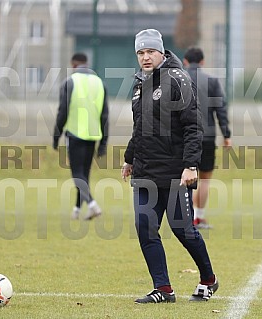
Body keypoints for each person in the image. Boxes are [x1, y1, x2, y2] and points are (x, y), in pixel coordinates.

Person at [121, 29, 218, 303]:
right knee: (145, 226)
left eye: (150, 51)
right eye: (140, 53)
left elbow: (193, 126)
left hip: (175, 172)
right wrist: (130, 159)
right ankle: (163, 289)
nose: (145, 57)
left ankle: (209, 279)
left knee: (183, 230)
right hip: (144, 171)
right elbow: (139, 128)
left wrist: (190, 165)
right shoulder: (139, 84)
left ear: (161, 52)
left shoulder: (179, 80)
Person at [53, 52, 109, 220]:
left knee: (77, 174)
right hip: (93, 135)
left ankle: (92, 205)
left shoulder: (70, 82)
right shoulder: (99, 83)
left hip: (75, 134)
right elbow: (105, 115)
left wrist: (56, 135)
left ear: (73, 64)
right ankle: (77, 209)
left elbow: (62, 111)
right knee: (84, 173)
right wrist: (104, 142)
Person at [183, 47, 231, 229]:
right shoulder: (212, 81)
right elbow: (221, 109)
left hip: (184, 138)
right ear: (202, 62)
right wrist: (227, 135)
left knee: (184, 176)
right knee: (204, 179)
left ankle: (184, 217)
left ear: (185, 61)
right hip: (207, 136)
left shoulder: (178, 79)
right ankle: (198, 217)